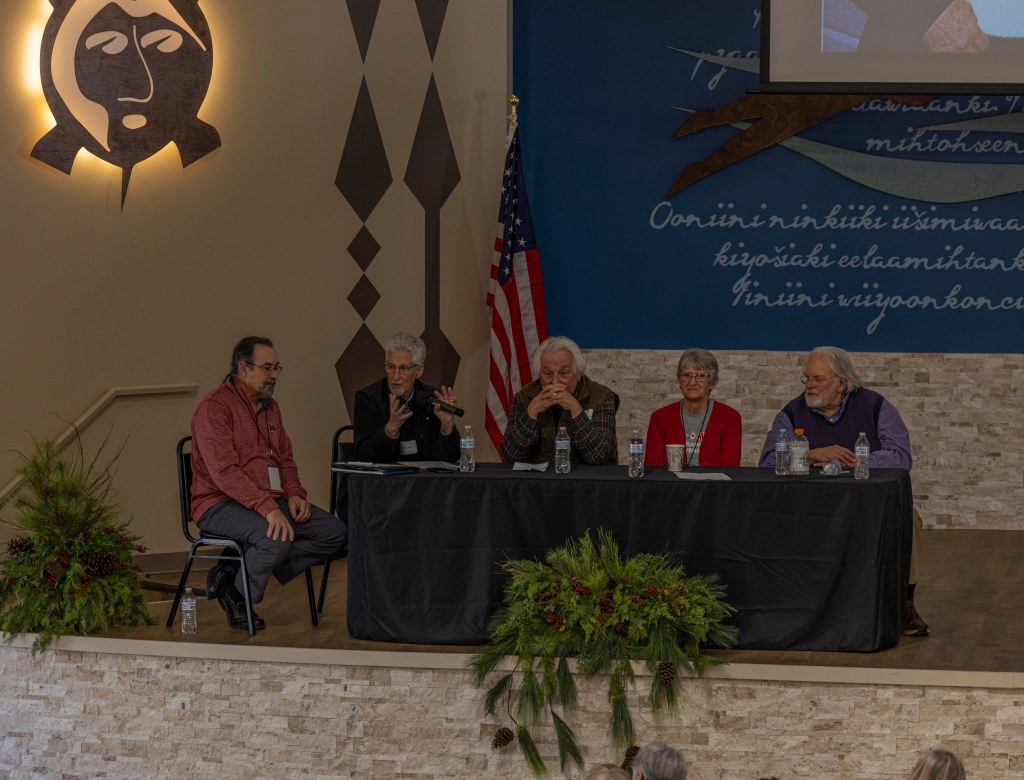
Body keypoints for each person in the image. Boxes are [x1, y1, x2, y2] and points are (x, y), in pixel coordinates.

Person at [758, 345, 928, 637]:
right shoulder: (791, 413)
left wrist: (852, 459)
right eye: (806, 378)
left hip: (867, 505)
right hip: (809, 508)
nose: (809, 385)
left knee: (908, 517)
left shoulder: (876, 406)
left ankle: (905, 603)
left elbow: (901, 457)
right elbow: (767, 463)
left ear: (842, 383)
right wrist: (813, 454)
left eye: (817, 379)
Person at [189, 337, 347, 630]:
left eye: (276, 368)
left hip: (269, 502)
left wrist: (294, 493)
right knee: (276, 538)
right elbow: (224, 472)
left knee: (335, 534)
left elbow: (285, 458)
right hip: (218, 503)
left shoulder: (271, 408)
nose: (274, 375)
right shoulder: (214, 408)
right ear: (242, 368)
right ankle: (236, 592)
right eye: (267, 368)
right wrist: (267, 508)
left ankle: (235, 570)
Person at [499, 335, 619, 465]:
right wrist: (531, 413)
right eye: (548, 374)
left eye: (563, 373)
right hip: (538, 482)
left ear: (579, 374)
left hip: (586, 482)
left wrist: (576, 411)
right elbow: (509, 457)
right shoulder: (524, 397)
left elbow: (598, 457)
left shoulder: (602, 397)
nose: (555, 382)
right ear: (539, 374)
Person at [351, 332, 461, 463]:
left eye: (403, 368)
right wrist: (390, 429)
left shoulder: (432, 399)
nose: (395, 376)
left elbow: (450, 458)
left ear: (419, 371)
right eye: (391, 367)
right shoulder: (368, 399)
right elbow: (361, 458)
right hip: (382, 482)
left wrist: (447, 426)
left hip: (422, 482)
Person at [644, 348, 742, 468]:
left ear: (713, 382)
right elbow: (653, 468)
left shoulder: (730, 418)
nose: (692, 382)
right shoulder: (659, 418)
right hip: (670, 485)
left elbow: (730, 469)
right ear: (679, 380)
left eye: (700, 376)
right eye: (686, 375)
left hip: (713, 486)